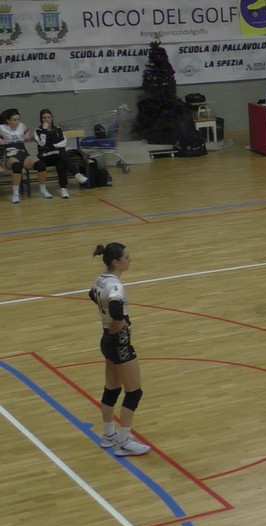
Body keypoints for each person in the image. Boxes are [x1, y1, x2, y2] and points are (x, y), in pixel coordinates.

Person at [88, 242, 151, 457]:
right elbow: (115, 306)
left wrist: (108, 316)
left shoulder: (101, 279)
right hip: (120, 342)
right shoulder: (115, 285)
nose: (129, 260)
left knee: (112, 388)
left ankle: (109, 435)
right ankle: (124, 441)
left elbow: (91, 294)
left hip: (106, 339)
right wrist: (121, 320)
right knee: (134, 391)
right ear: (116, 262)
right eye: (126, 257)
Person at [35, 108, 90, 199]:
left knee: (60, 161)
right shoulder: (38, 131)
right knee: (61, 153)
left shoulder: (58, 129)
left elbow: (63, 142)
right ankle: (76, 174)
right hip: (45, 156)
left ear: (52, 118)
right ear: (41, 119)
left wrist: (52, 146)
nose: (47, 119)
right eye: (44, 118)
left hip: (57, 154)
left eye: (49, 117)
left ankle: (63, 188)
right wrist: (44, 131)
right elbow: (42, 144)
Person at [1, 108, 48, 204]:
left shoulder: (22, 126)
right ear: (8, 121)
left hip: (22, 152)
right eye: (14, 120)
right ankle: (15, 194)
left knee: (41, 165)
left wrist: (28, 134)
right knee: (16, 166)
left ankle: (43, 190)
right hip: (9, 154)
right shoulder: (2, 128)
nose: (17, 122)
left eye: (18, 119)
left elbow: (28, 132)